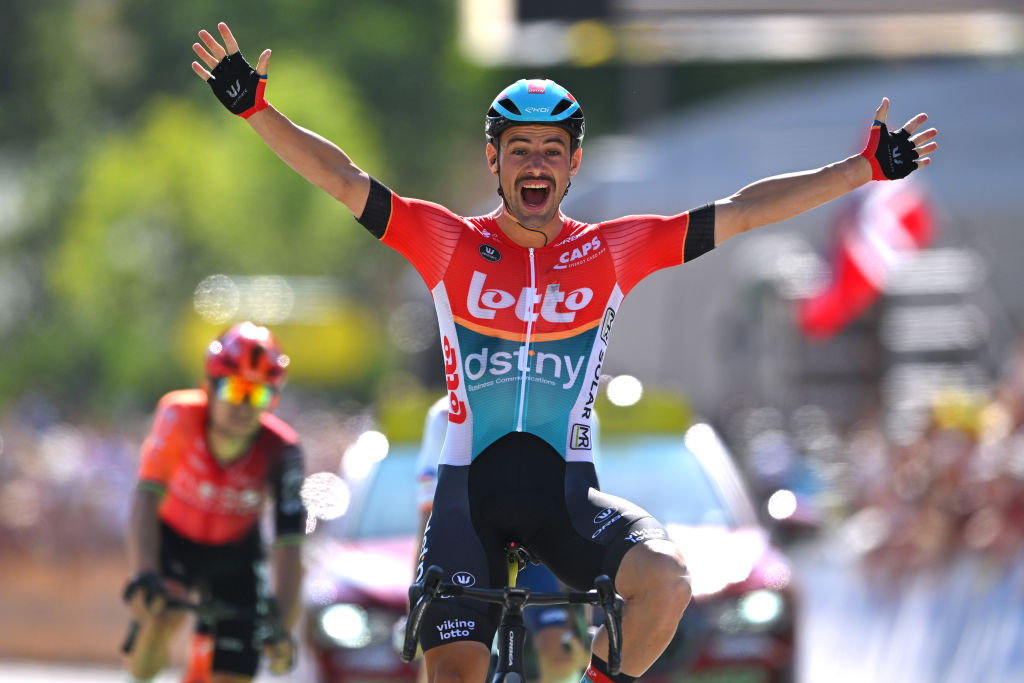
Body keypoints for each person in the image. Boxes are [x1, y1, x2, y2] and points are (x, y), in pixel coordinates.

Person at [190, 22, 937, 683]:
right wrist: (257, 110)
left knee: (670, 580)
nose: (536, 164)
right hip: (467, 499)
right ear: (494, 159)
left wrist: (860, 171)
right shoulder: (446, 242)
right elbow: (345, 179)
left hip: (567, 499)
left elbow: (741, 213)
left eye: (553, 150)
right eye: (520, 150)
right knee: (451, 674)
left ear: (574, 163)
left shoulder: (611, 251)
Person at [123, 321, 306, 683]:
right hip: (173, 541)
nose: (243, 405)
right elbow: (146, 495)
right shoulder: (178, 415)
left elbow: (290, 543)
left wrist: (281, 625)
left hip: (236, 555)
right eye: (235, 389)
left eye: (258, 395)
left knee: (234, 674)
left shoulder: (283, 450)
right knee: (160, 621)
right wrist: (144, 572)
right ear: (208, 386)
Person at [414, 397, 589, 683]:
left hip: (538, 546)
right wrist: (418, 595)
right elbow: (429, 511)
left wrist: (582, 615)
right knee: (442, 659)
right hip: (469, 541)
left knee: (560, 652)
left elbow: (579, 508)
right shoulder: (445, 414)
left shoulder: (574, 404)